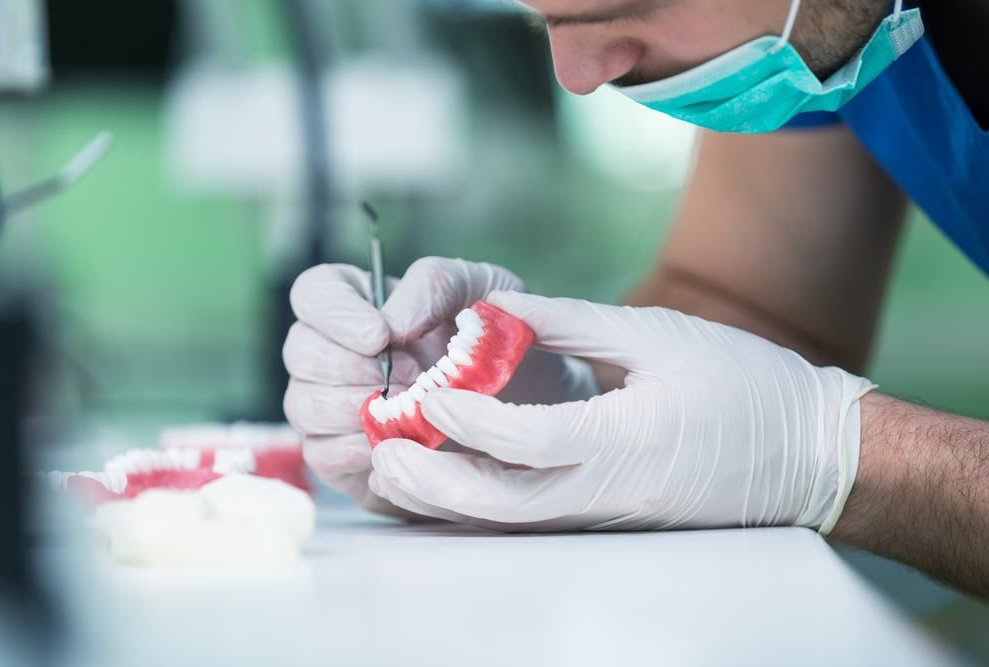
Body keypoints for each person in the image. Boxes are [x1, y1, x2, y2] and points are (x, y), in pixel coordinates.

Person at [283, 0, 989, 597]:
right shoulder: (814, 32)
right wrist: (554, 405)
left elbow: (795, 429)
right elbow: (759, 308)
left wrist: (845, 455)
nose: (577, 75)